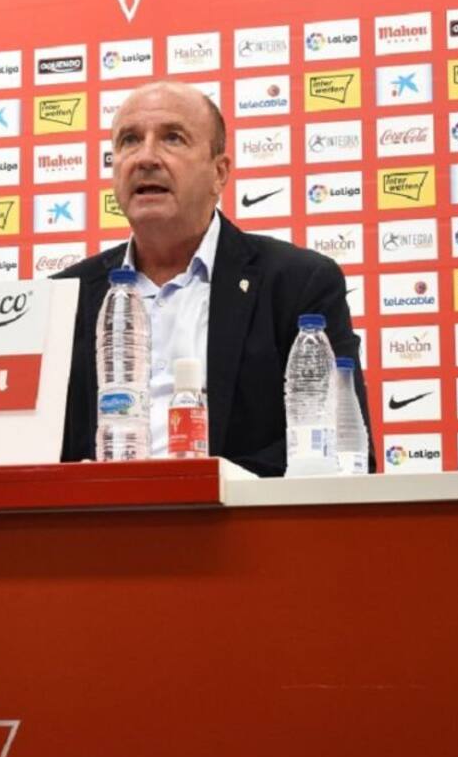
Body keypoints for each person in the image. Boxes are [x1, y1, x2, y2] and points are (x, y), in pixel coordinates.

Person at [55, 82, 374, 476]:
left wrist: (203, 484)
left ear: (219, 173)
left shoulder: (298, 283)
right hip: (95, 513)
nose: (146, 157)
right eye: (129, 140)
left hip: (236, 512)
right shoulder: (66, 296)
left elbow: (343, 451)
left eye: (173, 138)